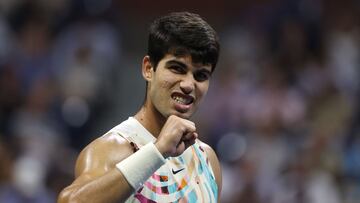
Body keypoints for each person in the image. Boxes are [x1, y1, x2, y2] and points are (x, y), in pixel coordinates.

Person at [58, 11, 222, 203]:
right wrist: (158, 151)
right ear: (148, 69)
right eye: (177, 68)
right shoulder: (110, 150)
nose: (188, 84)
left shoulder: (208, 161)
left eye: (201, 76)